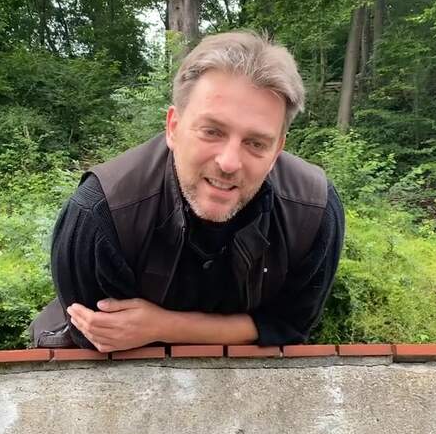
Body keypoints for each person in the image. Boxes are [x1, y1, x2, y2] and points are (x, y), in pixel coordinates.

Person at [30, 30, 345, 352]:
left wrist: (163, 326)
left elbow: (290, 325)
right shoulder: (101, 211)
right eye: (212, 131)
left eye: (255, 143)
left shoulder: (315, 211)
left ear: (277, 150)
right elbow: (101, 336)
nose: (229, 162)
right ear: (173, 127)